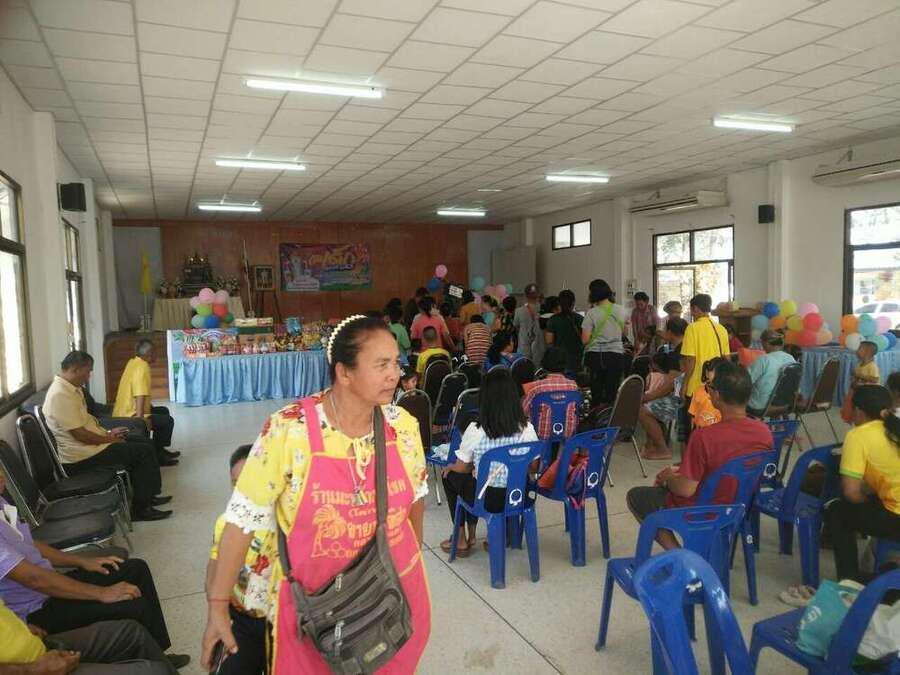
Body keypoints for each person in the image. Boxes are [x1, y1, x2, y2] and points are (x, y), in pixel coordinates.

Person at [201, 315, 430, 673]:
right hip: (315, 613)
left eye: (396, 363)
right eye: (382, 364)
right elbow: (241, 521)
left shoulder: (402, 427)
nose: (395, 374)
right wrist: (217, 606)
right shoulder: (289, 431)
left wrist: (408, 569)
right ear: (344, 373)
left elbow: (415, 501)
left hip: (389, 601)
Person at [0, 476, 187, 669]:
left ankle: (158, 654)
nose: (1, 477)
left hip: (49, 586)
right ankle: (154, 663)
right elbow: (34, 579)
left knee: (136, 569)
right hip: (36, 609)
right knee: (133, 606)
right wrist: (102, 593)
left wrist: (80, 560)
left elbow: (30, 544)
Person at [626, 361, 773, 549]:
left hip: (702, 508)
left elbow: (686, 489)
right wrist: (680, 471)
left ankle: (681, 556)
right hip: (739, 504)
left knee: (637, 497)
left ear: (716, 395)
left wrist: (668, 480)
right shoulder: (764, 432)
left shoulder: (704, 437)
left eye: (709, 386)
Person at [42, 351, 171, 521]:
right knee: (142, 452)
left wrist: (108, 433)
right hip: (81, 458)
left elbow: (86, 423)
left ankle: (148, 496)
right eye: (88, 371)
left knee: (144, 442)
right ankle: (141, 509)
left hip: (90, 448)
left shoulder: (71, 389)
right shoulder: (60, 395)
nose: (89, 376)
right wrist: (110, 439)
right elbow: (81, 435)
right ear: (75, 369)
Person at [439, 367, 538, 556]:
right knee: (511, 480)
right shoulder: (527, 429)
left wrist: (452, 466)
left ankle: (460, 539)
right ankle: (502, 535)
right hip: (517, 496)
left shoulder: (476, 430)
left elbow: (462, 467)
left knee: (450, 475)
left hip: (487, 500)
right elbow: (534, 467)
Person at [206, 445, 274, 675]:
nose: (243, 491)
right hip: (241, 619)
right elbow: (213, 570)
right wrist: (215, 614)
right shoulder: (226, 522)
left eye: (249, 481)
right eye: (236, 483)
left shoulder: (288, 522)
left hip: (282, 622)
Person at [824, 385, 900, 583]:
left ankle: (849, 579)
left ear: (858, 411)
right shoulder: (895, 428)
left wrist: (866, 500)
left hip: (896, 517)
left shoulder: (858, 436)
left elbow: (851, 493)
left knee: (838, 512)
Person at [0, 605, 178, 674]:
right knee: (154, 672)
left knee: (131, 631)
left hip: (38, 646)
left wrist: (20, 624)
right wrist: (33, 669)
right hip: (30, 669)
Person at [112, 340, 178, 466]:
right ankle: (158, 456)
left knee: (163, 411)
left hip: (123, 410)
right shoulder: (142, 367)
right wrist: (140, 419)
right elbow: (139, 394)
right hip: (130, 414)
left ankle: (159, 449)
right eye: (155, 352)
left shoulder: (133, 362)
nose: (156, 355)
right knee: (167, 421)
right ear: (149, 353)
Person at [638, 317, 687, 460]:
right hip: (685, 394)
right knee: (650, 401)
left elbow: (671, 385)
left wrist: (648, 396)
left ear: (670, 332)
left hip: (681, 399)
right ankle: (651, 444)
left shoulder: (677, 354)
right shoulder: (684, 347)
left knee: (642, 410)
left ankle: (662, 449)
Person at [680, 294, 729, 428]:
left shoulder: (692, 328)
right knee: (714, 425)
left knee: (694, 428)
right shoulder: (722, 329)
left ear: (696, 309)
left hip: (696, 388)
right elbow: (727, 360)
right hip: (716, 388)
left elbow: (690, 360)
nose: (691, 314)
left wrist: (684, 385)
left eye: (691, 310)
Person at [581, 279, 630, 405]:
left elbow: (585, 340)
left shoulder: (592, 313)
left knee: (596, 393)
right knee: (612, 392)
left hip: (596, 356)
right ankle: (610, 415)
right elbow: (625, 333)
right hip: (616, 355)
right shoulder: (621, 310)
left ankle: (597, 415)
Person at [521, 347, 579, 440]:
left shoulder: (535, 387)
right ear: (565, 364)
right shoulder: (574, 386)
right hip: (567, 440)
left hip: (540, 440)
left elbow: (522, 413)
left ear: (544, 364)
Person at [747, 329, 796, 415]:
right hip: (785, 404)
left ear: (766, 343)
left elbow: (746, 381)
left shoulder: (763, 360)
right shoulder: (791, 358)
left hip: (761, 406)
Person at [841, 340, 881, 423]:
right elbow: (856, 377)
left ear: (867, 352)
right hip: (857, 391)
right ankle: (854, 419)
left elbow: (875, 379)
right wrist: (854, 378)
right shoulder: (859, 364)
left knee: (863, 411)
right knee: (854, 408)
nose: (856, 351)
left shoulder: (872, 366)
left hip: (867, 394)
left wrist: (859, 375)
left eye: (859, 348)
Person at [545, 289, 583, 374]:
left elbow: (549, 341)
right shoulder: (580, 318)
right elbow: (585, 340)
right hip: (577, 360)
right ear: (573, 303)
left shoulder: (553, 320)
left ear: (559, 303)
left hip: (559, 361)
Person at [688, 357, 727, 429]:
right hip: (701, 431)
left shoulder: (726, 395)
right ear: (706, 373)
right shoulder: (698, 392)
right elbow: (692, 415)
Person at [514, 284, 545, 365]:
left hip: (523, 346)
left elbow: (516, 327)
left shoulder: (519, 311)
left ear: (525, 295)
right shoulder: (543, 309)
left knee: (524, 368)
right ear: (538, 295)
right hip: (540, 346)